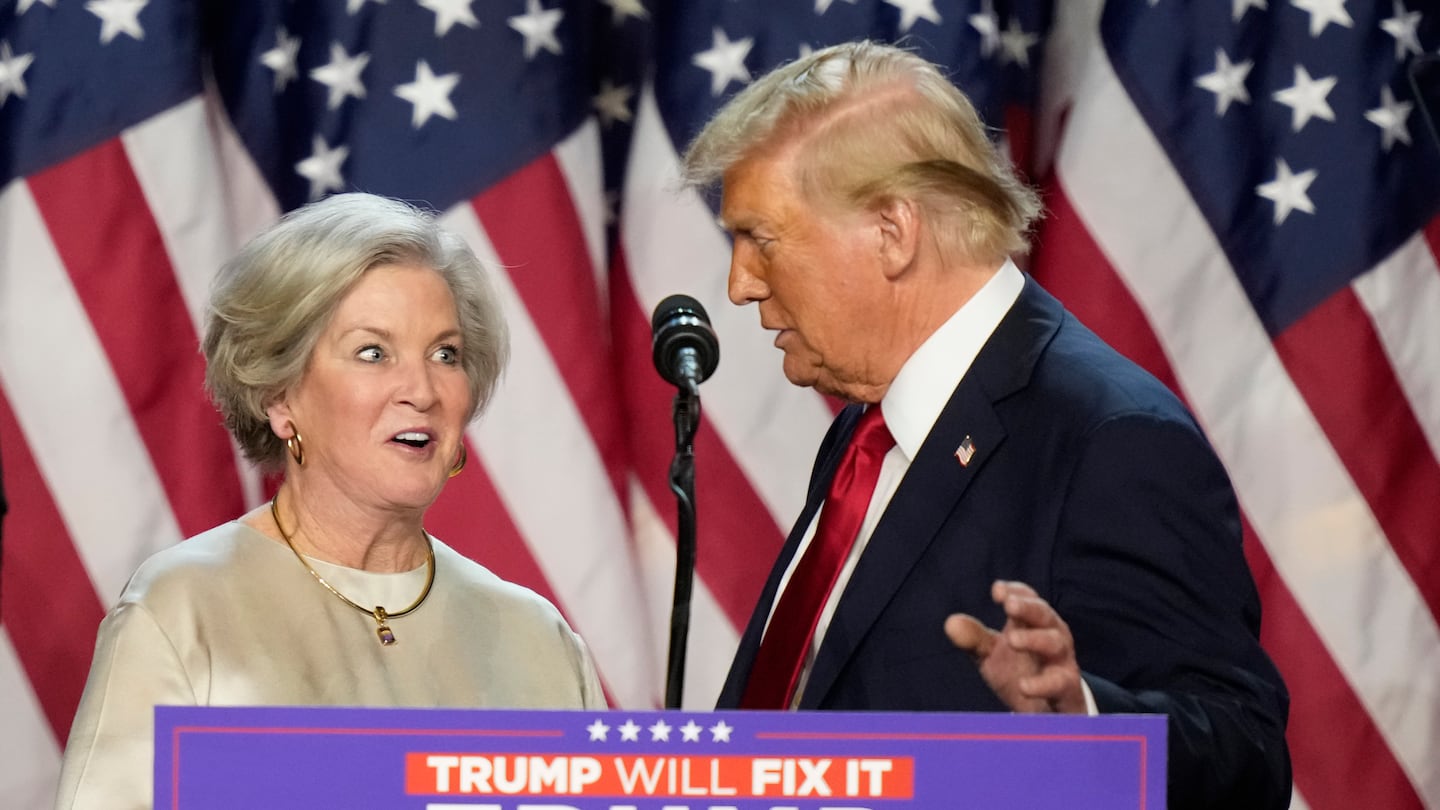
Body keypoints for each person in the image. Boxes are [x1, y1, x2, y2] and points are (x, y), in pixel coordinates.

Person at [682, 41, 1290, 809]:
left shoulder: (1111, 439)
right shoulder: (869, 430)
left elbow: (1245, 751)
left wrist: (1090, 722)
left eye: (760, 238)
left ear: (892, 232)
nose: (738, 285)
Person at [54, 193, 604, 810]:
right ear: (280, 395)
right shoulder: (183, 610)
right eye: (374, 352)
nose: (422, 390)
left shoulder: (538, 638)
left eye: (445, 354)